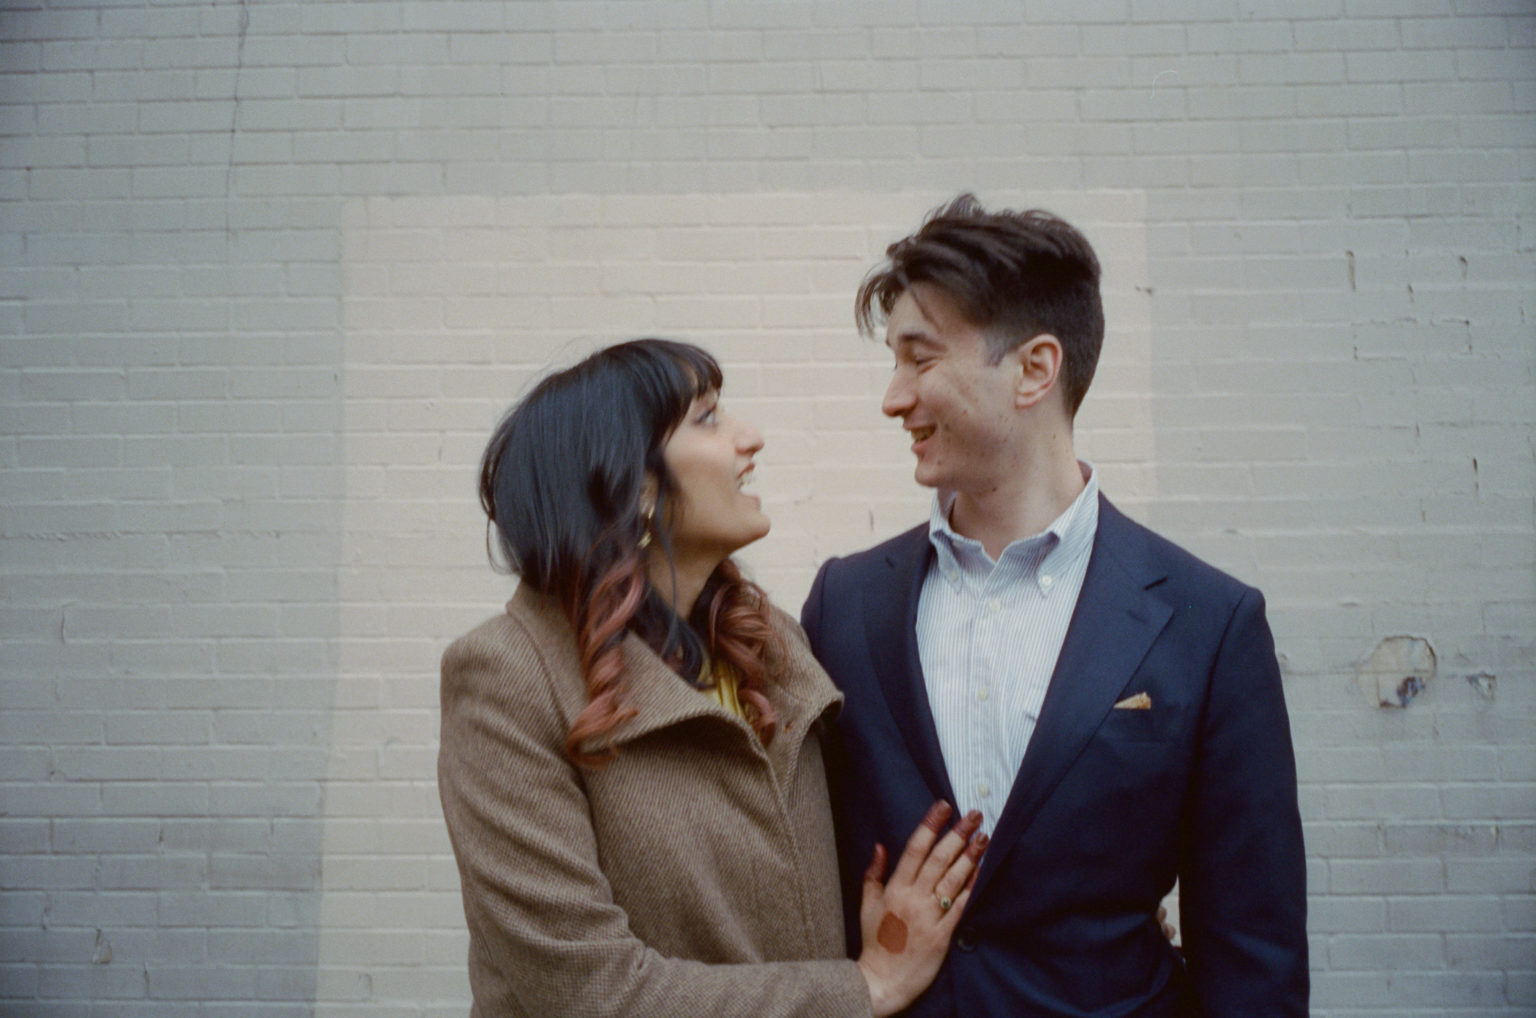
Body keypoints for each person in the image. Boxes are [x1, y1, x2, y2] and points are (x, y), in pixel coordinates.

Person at [800, 196, 1309, 1017]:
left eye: (919, 360)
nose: (893, 398)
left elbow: (1254, 949)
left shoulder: (1208, 622)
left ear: (1035, 370)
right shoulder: (843, 605)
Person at [437, 338, 988, 1018]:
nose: (750, 438)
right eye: (707, 418)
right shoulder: (509, 677)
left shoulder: (775, 647)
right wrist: (861, 988)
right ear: (633, 485)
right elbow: (588, 989)